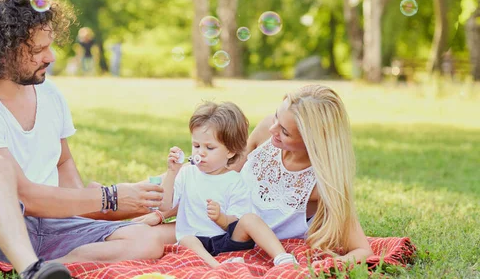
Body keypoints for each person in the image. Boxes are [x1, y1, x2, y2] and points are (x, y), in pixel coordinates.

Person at [0, 0, 165, 279]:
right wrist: (110, 198)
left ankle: (40, 269)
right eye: (38, 50)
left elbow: (62, 162)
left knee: (147, 241)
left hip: (45, 227)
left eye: (50, 45)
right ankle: (30, 272)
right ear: (4, 50)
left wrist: (122, 207)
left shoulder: (49, 94)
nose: (51, 57)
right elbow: (25, 197)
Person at [136, 85, 373, 263]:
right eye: (276, 117)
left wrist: (326, 267)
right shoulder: (267, 130)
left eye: (284, 131)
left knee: (143, 239)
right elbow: (221, 175)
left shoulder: (322, 186)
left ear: (313, 142)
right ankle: (103, 201)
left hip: (233, 237)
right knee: (139, 200)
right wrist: (163, 211)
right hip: (210, 212)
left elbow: (362, 250)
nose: (272, 130)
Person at [159, 102, 298, 268]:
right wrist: (172, 172)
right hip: (197, 243)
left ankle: (282, 258)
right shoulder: (186, 174)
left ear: (230, 151)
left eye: (209, 147)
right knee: (186, 239)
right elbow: (165, 205)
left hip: (226, 240)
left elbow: (236, 222)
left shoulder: (234, 181)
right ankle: (218, 266)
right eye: (196, 146)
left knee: (251, 219)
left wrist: (221, 218)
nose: (200, 152)